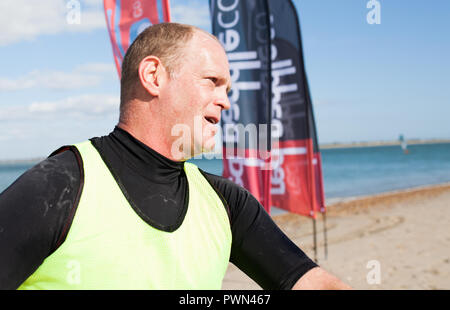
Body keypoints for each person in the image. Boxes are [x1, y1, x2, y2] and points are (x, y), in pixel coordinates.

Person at [0, 23, 351, 290]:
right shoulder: (61, 185)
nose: (225, 100)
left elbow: (308, 282)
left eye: (226, 89)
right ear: (153, 76)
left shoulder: (226, 202)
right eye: (211, 81)